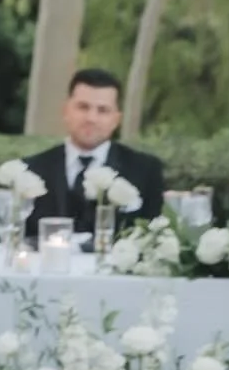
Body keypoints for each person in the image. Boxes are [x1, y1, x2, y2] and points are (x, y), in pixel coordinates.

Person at [23, 68, 164, 241]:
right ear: (66, 111)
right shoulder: (31, 170)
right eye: (83, 107)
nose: (91, 118)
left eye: (103, 110)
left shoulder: (145, 171)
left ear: (116, 119)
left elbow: (152, 237)